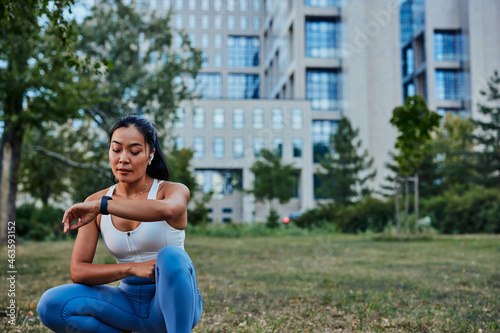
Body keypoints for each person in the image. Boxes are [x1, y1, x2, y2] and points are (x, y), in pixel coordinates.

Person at [37, 115, 203, 333]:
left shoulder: (171, 191)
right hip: (126, 304)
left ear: (150, 155)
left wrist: (104, 206)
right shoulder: (94, 203)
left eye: (134, 151)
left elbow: (169, 209)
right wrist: (131, 268)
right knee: (51, 304)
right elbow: (78, 271)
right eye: (116, 150)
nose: (123, 159)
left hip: (172, 305)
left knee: (171, 256)